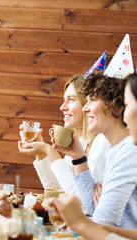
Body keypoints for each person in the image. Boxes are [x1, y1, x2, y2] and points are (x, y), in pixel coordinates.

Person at [56, 69, 137, 228]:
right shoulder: (115, 150)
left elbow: (102, 221)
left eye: (92, 99)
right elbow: (93, 209)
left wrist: (74, 216)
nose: (85, 109)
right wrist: (78, 157)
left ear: (118, 107)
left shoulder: (128, 151)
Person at [18, 75, 109, 194]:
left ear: (87, 102)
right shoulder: (81, 140)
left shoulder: (103, 141)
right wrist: (41, 154)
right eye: (64, 100)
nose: (62, 107)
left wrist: (49, 151)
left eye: (71, 99)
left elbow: (82, 197)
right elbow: (57, 187)